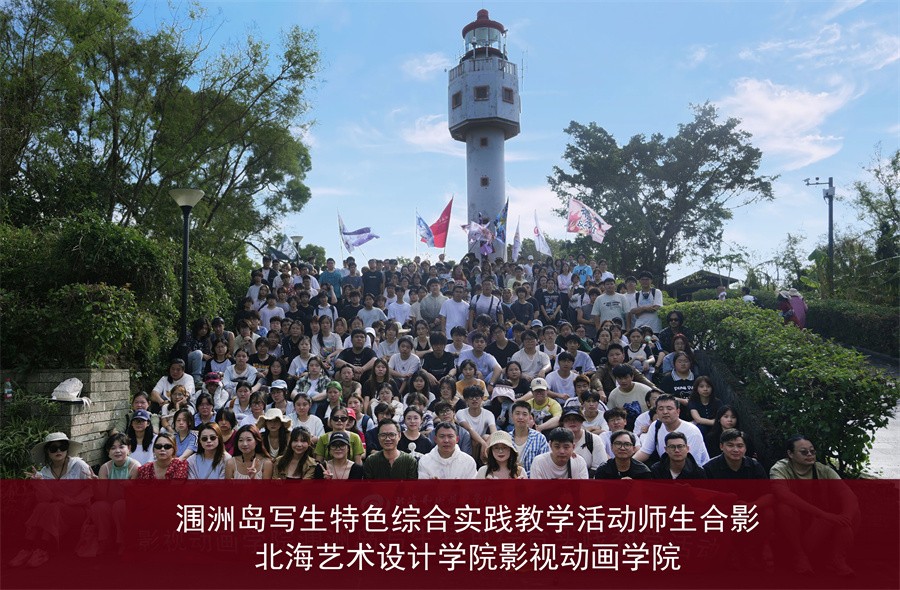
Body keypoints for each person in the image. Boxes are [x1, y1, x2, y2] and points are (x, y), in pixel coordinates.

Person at [769, 435, 859, 576]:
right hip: (794, 528)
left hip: (819, 525)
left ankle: (837, 559)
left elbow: (847, 494)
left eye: (812, 451)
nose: (810, 455)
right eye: (804, 452)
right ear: (790, 454)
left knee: (852, 512)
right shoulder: (780, 469)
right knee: (784, 508)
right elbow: (782, 495)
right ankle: (799, 556)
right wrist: (824, 514)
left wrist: (846, 518)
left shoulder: (823, 470)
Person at [11, 433, 93, 568]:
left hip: (79, 510)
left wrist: (72, 501)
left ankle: (43, 550)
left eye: (62, 447)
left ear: (67, 449)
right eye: (53, 448)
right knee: (42, 507)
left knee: (54, 508)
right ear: (47, 452)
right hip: (57, 510)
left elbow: (90, 491)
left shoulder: (78, 465)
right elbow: (47, 499)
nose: (58, 451)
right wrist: (40, 484)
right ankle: (27, 549)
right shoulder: (45, 472)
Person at [634, 394, 710, 467]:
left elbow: (691, 462)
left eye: (669, 408)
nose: (665, 412)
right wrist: (629, 462)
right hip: (667, 468)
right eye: (661, 409)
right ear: (656, 412)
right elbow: (645, 452)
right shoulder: (655, 426)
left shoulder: (692, 431)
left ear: (678, 411)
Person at [560, 406, 607, 477]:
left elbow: (600, 467)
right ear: (563, 423)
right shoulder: (556, 440)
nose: (572, 422)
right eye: (568, 419)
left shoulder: (594, 439)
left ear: (582, 421)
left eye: (576, 419)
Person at [703, 429, 767, 479]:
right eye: (730, 445)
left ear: (746, 448)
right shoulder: (709, 469)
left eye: (740, 446)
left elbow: (766, 490)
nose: (736, 450)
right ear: (721, 446)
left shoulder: (755, 467)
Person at [607, 363, 652, 431]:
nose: (623, 381)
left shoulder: (645, 390)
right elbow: (610, 415)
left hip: (645, 427)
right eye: (620, 378)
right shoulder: (613, 395)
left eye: (626, 378)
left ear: (632, 377)